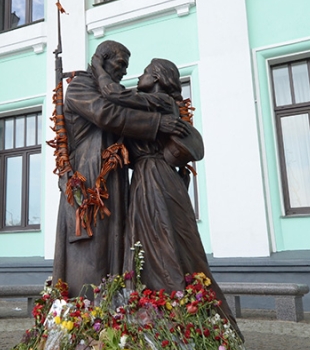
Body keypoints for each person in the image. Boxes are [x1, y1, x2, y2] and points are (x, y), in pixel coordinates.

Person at [97, 57, 239, 333]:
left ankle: (176, 314)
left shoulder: (161, 101)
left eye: (145, 73)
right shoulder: (150, 106)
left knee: (161, 237)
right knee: (148, 240)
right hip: (146, 177)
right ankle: (158, 312)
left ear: (158, 79)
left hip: (156, 178)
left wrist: (97, 67)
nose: (139, 77)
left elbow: (113, 94)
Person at [53, 41, 190, 298]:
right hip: (90, 176)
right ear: (103, 59)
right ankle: (85, 313)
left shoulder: (111, 89)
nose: (126, 72)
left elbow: (122, 108)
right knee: (92, 247)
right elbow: (107, 114)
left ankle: (113, 311)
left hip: (113, 177)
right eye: (121, 64)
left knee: (117, 244)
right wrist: (158, 123)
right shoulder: (81, 86)